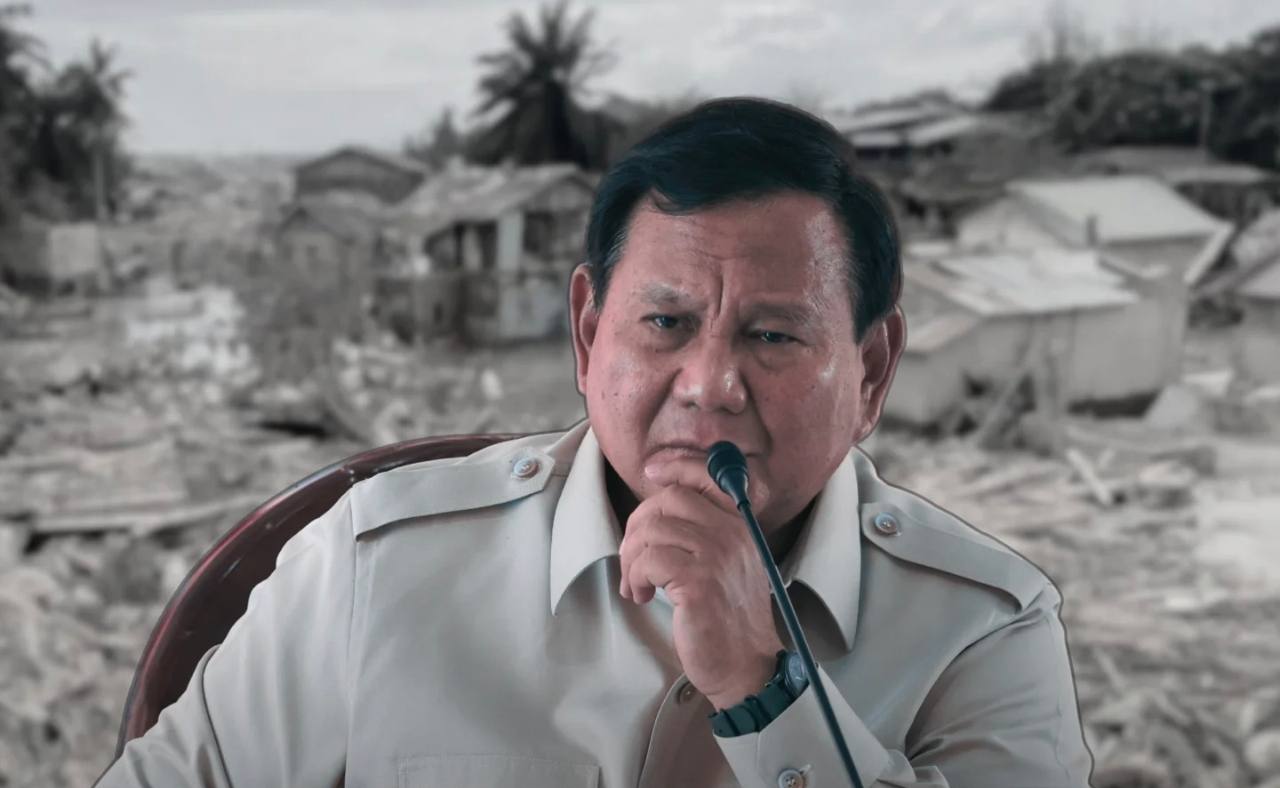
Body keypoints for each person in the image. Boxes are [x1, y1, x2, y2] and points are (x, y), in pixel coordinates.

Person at [96, 97, 1094, 788]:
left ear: (871, 370)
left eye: (772, 335)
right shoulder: (375, 563)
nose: (708, 384)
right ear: (586, 334)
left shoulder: (983, 630)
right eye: (664, 324)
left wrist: (768, 689)